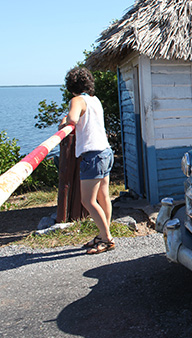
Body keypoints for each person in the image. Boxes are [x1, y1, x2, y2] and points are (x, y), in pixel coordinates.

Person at [60, 67, 115, 254]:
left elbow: (73, 120)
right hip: (105, 152)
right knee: (103, 196)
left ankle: (106, 238)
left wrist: (64, 121)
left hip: (92, 155)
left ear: (71, 86)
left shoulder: (77, 100)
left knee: (88, 200)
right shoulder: (94, 100)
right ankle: (103, 233)